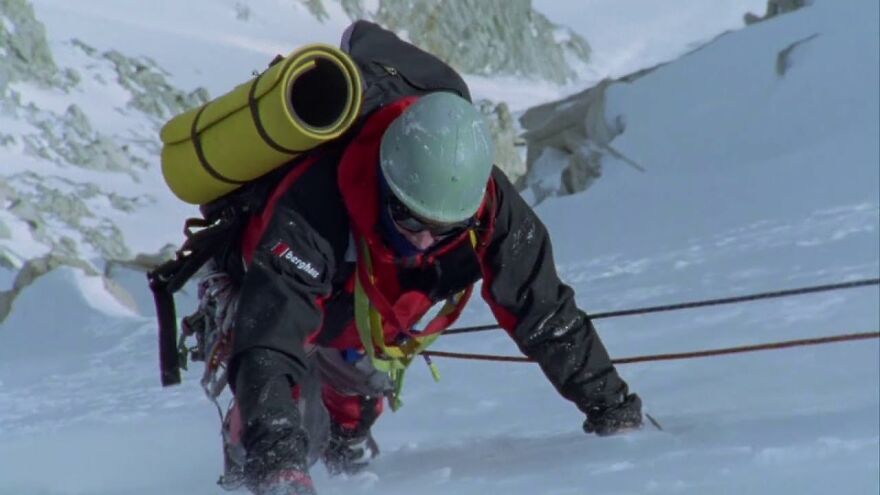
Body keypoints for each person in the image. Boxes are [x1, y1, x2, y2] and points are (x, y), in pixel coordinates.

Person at [218, 82, 642, 495]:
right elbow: (271, 342)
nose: (423, 239)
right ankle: (246, 478)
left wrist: (612, 408)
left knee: (355, 408)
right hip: (267, 297)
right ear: (386, 180)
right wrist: (277, 462)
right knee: (281, 428)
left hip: (365, 315)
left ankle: (344, 459)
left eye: (443, 229)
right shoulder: (313, 206)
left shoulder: (491, 208)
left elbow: (544, 312)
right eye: (409, 218)